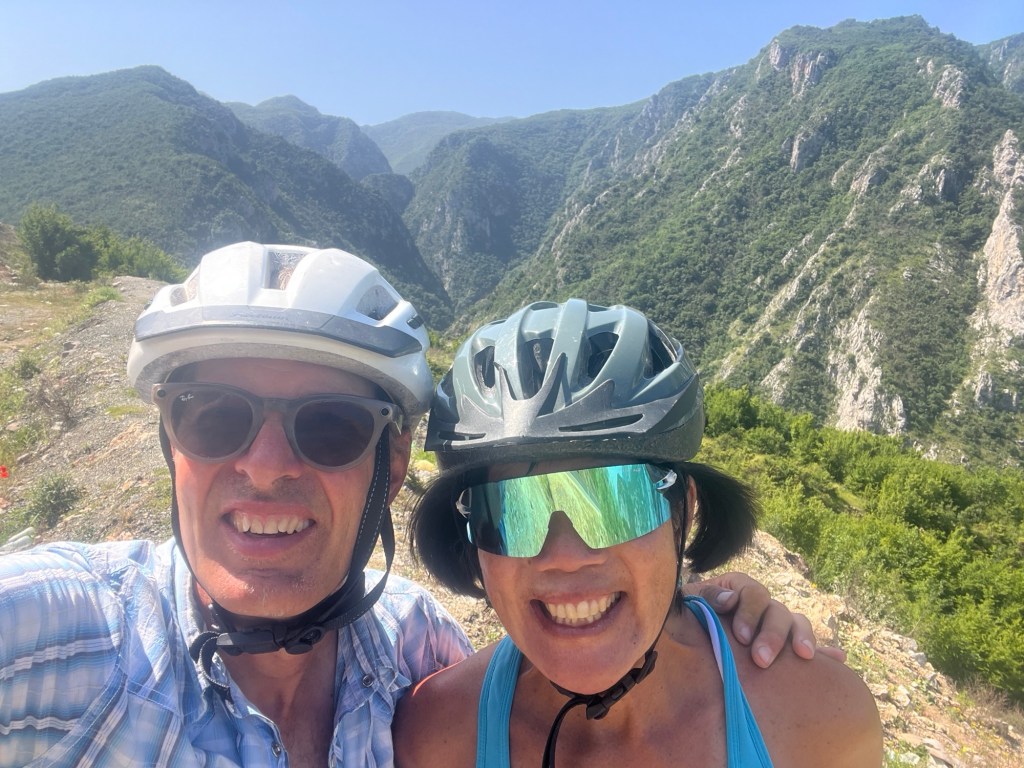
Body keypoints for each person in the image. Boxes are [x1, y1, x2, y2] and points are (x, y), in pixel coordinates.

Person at [0, 243, 833, 768]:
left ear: (391, 464)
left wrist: (703, 613)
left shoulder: (412, 647)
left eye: (329, 428)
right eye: (213, 417)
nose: (265, 467)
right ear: (170, 442)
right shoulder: (65, 638)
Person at [396, 299, 883, 767]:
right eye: (512, 514)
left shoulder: (823, 720)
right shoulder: (432, 740)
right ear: (471, 537)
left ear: (683, 511)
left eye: (615, 502)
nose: (566, 556)